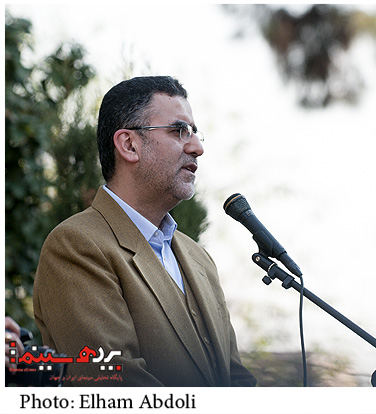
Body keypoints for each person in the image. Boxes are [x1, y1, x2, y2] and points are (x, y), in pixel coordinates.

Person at [33, 76, 257, 387]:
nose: (197, 147)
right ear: (129, 145)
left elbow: (236, 378)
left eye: (195, 133)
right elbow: (117, 387)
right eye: (179, 131)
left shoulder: (199, 258)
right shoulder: (76, 246)